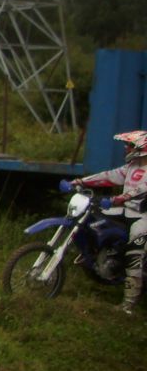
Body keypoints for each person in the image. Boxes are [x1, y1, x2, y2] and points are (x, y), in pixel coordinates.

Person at [67, 130, 147, 315]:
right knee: (93, 216)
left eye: (129, 145)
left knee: (135, 253)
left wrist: (120, 198)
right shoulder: (132, 166)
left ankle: (128, 305)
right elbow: (108, 176)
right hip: (126, 209)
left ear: (140, 148)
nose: (126, 148)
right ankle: (96, 255)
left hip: (142, 215)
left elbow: (140, 190)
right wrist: (79, 181)